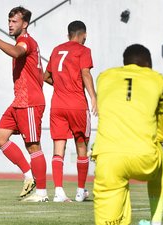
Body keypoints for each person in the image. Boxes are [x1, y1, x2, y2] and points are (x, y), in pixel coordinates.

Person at [92, 44, 163, 224]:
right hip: (144, 158)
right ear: (148, 63)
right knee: (158, 146)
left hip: (108, 157)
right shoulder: (157, 79)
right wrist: (161, 138)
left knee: (110, 209)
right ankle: (156, 221)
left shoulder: (103, 78)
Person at [0, 6, 48, 202]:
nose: (10, 25)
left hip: (29, 102)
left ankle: (42, 193)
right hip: (19, 101)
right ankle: (29, 175)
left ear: (25, 24)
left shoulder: (25, 42)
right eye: (9, 21)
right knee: (0, 137)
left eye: (14, 22)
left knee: (33, 146)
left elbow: (17, 52)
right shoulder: (24, 41)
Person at [43, 20, 97, 202]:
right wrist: (93, 97)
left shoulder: (57, 50)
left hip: (57, 105)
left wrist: (61, 85)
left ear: (68, 34)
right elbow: (85, 73)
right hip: (77, 105)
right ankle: (81, 191)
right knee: (81, 146)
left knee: (58, 147)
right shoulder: (84, 50)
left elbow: (46, 77)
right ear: (84, 35)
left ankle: (58, 191)